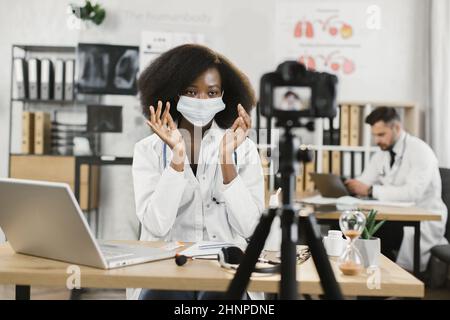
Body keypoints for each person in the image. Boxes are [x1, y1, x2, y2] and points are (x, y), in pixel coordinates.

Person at [128, 44, 264, 300]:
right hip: (166, 265)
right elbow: (157, 225)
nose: (202, 100)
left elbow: (250, 229)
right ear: (175, 93)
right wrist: (177, 159)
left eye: (212, 92)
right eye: (192, 91)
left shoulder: (243, 149)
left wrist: (226, 161)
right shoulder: (148, 150)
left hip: (226, 268)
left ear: (224, 96)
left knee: (219, 296)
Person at [345, 107, 448, 272]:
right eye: (374, 135)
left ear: (397, 128)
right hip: (393, 215)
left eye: (381, 134)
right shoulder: (382, 153)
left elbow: (413, 193)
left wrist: (371, 191)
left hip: (422, 218)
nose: (377, 140)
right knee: (354, 227)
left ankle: (385, 284)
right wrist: (350, 185)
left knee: (372, 233)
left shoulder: (421, 151)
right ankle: (374, 284)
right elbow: (365, 181)